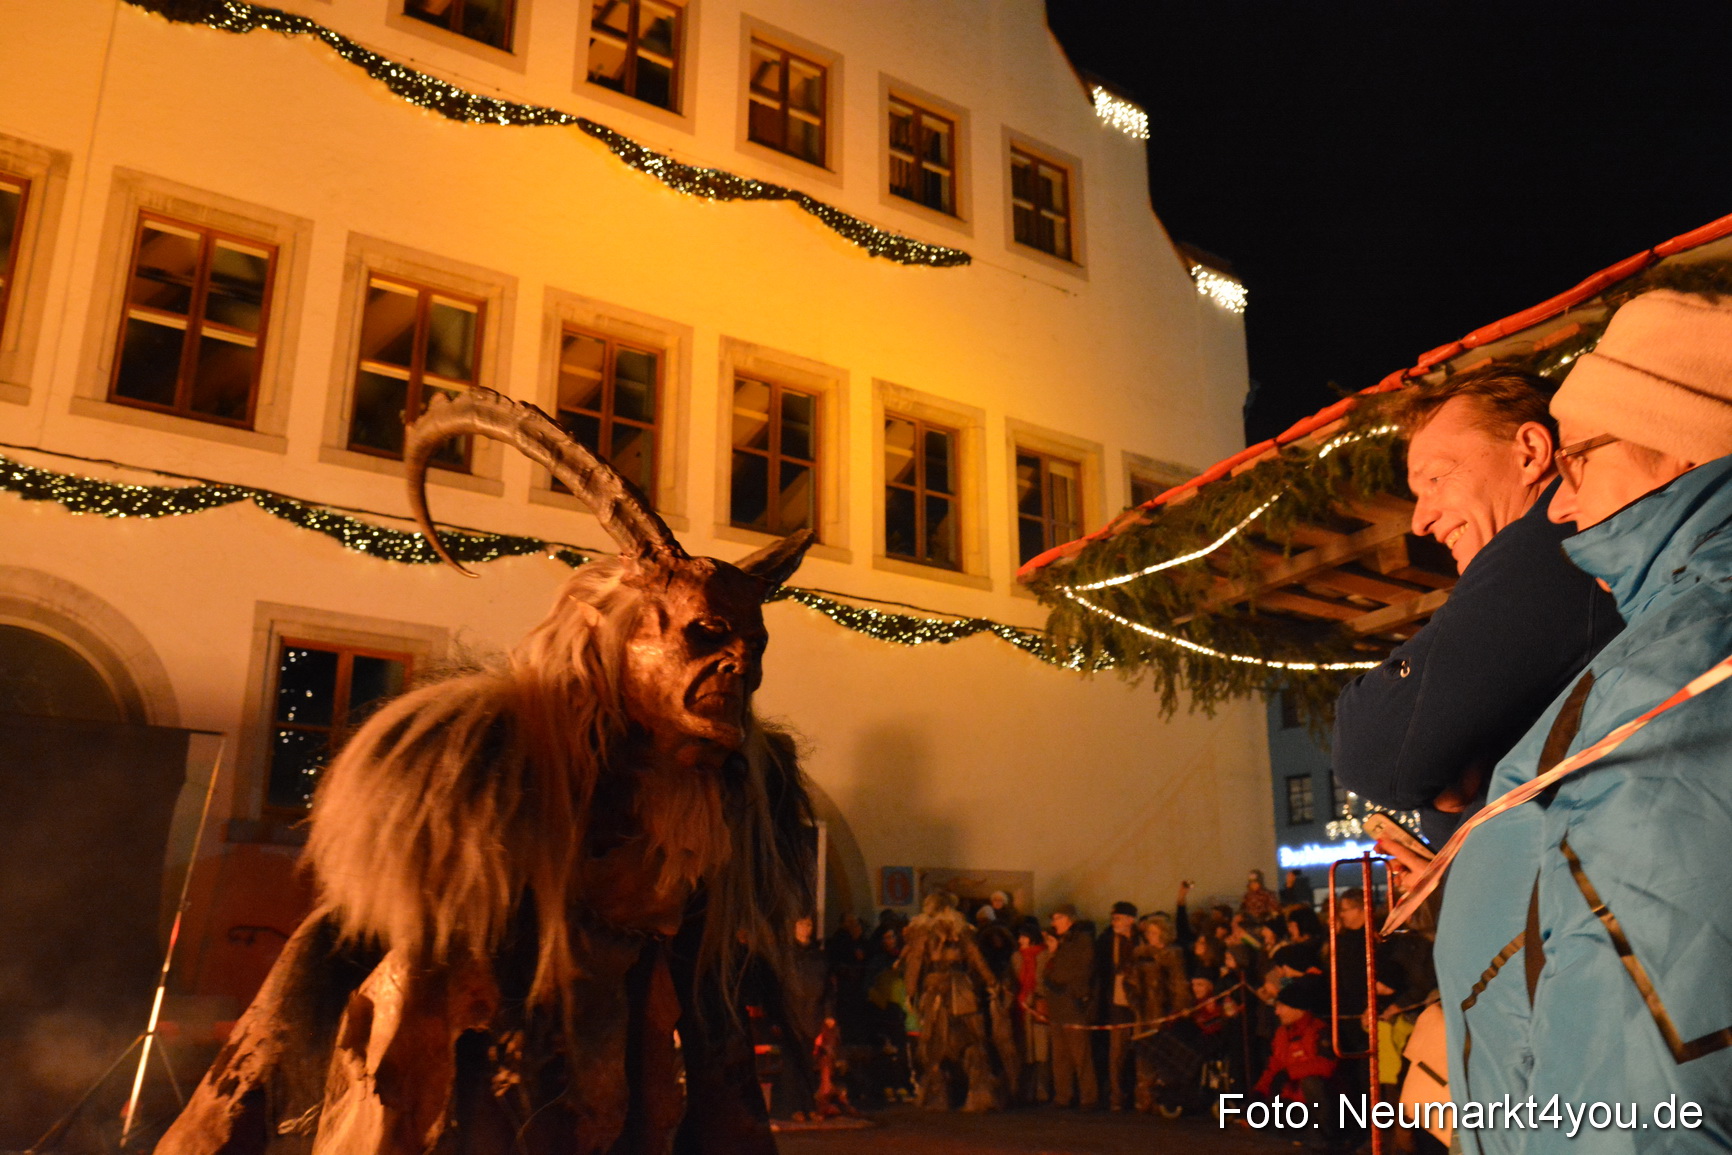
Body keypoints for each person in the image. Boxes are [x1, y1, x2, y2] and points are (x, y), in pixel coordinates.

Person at [1438, 290, 1732, 1151]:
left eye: (1579, 464)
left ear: (1676, 449)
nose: (1559, 512)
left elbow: (1651, 1080)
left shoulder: (1681, 676)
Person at [1334, 367, 1623, 845]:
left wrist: (1457, 775)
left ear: (1530, 453)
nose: (1421, 520)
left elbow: (1375, 751)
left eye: (1436, 477)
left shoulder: (1562, 545)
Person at [902, 891, 1001, 1111]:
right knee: (973, 1039)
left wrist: (910, 992)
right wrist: (991, 981)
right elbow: (975, 956)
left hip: (936, 987)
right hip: (962, 987)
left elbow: (916, 961)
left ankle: (939, 1097)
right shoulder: (961, 928)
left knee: (935, 1042)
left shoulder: (923, 930)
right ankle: (980, 1095)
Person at [1126, 914, 1192, 1114]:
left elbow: (1178, 985)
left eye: (1155, 933)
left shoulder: (1172, 955)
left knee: (1163, 1055)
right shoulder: (1140, 954)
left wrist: (1178, 1009)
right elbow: (1129, 980)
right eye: (1149, 932)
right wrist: (1135, 998)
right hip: (1144, 1010)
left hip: (1163, 1011)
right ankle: (1145, 1096)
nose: (1151, 936)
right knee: (1143, 1053)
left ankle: (1164, 1098)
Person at [1042, 904, 1098, 1109]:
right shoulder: (1062, 943)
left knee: (1080, 1054)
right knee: (1060, 1055)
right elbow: (1049, 973)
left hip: (1073, 1005)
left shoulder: (1081, 942)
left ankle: (1088, 1097)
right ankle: (1063, 1095)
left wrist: (1058, 954)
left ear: (1069, 920)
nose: (1053, 923)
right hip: (1058, 1005)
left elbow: (1076, 970)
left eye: (1057, 918)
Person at [1095, 900, 1140, 1110]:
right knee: (1116, 1051)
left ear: (1130, 920)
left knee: (1140, 1050)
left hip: (1138, 1002)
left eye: (1119, 918)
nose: (1115, 922)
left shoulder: (1140, 941)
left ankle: (1140, 1095)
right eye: (1113, 918)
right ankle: (1116, 1095)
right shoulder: (1106, 941)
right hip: (1116, 1001)